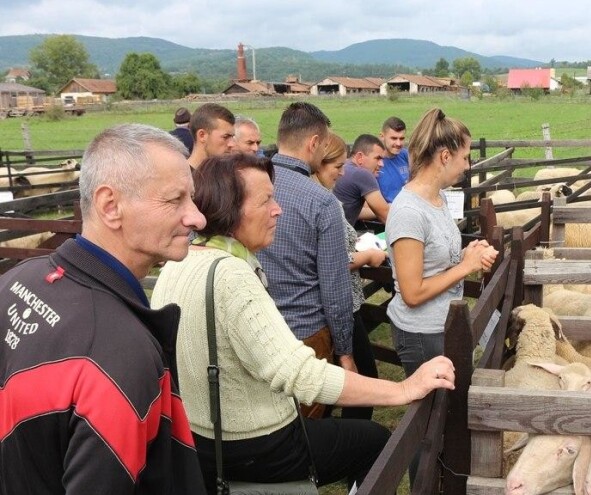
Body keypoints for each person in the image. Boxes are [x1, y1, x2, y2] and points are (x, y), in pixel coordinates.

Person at [150, 152, 455, 492]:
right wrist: (403, 388)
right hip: (256, 443)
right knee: (376, 442)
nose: (277, 209)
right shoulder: (231, 274)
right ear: (229, 208)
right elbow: (300, 374)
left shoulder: (180, 262)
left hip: (200, 438)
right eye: (266, 201)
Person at [0, 124, 208, 494]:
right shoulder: (120, 354)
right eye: (175, 200)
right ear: (110, 206)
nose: (197, 218)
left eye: (191, 199)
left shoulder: (19, 278)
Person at [256, 102, 356, 418]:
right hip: (307, 334)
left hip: (259, 329)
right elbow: (335, 288)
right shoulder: (321, 201)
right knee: (309, 425)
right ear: (313, 143)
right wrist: (345, 350)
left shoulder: (249, 185)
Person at [386, 108, 498, 377]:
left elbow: (433, 261)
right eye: (465, 157)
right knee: (436, 414)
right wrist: (465, 267)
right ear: (445, 156)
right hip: (422, 334)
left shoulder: (440, 198)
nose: (468, 166)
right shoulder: (408, 213)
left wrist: (464, 255)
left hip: (443, 324)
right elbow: (412, 293)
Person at [314, 133, 385, 420]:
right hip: (341, 304)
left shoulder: (325, 198)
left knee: (334, 380)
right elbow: (330, 263)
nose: (343, 173)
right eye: (336, 167)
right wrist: (366, 256)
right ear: (318, 164)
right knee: (363, 377)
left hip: (340, 303)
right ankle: (356, 448)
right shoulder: (322, 203)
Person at [332, 133, 389, 226]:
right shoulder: (362, 174)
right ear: (359, 157)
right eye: (378, 158)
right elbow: (387, 217)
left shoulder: (346, 166)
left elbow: (352, 212)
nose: (382, 164)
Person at [188, 103, 236, 168]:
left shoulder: (228, 175)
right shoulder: (181, 176)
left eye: (232, 137)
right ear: (202, 135)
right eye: (225, 137)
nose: (232, 144)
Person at [376, 116, 409, 203]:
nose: (398, 143)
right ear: (382, 136)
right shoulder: (374, 161)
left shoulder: (406, 155)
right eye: (394, 138)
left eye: (401, 139)